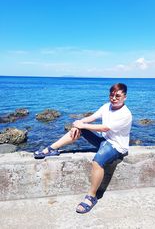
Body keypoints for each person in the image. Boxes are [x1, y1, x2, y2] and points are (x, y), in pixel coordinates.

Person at [34, 83, 132, 214]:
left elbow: (105, 128)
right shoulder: (106, 106)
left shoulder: (125, 114)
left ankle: (91, 197)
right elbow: (91, 118)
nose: (114, 98)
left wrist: (83, 125)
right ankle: (51, 148)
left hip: (116, 146)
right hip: (104, 140)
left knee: (97, 161)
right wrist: (78, 124)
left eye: (117, 96)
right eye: (112, 95)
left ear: (124, 97)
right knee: (79, 128)